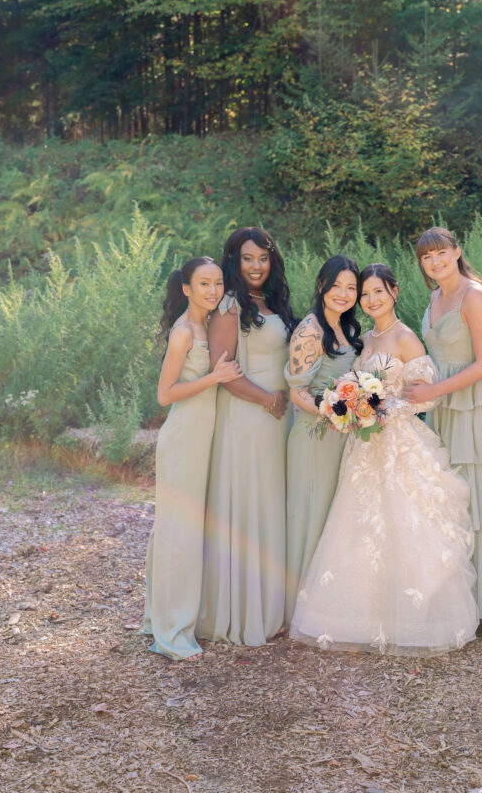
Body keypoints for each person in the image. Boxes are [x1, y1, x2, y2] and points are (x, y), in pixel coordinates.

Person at [290, 263, 477, 656]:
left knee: (404, 524)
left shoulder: (405, 338)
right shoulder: (366, 339)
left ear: (394, 291)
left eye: (378, 292)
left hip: (396, 442)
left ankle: (412, 620)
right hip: (362, 444)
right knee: (359, 526)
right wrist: (354, 408)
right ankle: (357, 619)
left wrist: (383, 411)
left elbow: (427, 395)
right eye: (365, 294)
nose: (371, 300)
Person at [198, 228, 296, 646]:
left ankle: (272, 605)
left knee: (271, 505)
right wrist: (268, 401)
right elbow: (224, 371)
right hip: (249, 416)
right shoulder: (229, 306)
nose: (256, 266)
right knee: (249, 504)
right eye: (247, 258)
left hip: (278, 419)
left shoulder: (273, 303)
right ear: (233, 261)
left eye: (263, 258)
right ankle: (242, 611)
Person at [143, 257, 243, 660]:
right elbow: (164, 395)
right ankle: (171, 633)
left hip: (204, 438)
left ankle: (167, 617)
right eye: (204, 284)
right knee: (177, 534)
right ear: (186, 288)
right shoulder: (184, 332)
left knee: (189, 531)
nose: (213, 290)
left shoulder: (209, 324)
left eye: (217, 283)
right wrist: (215, 378)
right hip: (183, 439)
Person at [405, 227, 482, 623]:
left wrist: (435, 390)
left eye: (441, 253)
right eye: (427, 258)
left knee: (474, 495)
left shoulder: (474, 295)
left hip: (471, 404)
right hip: (442, 408)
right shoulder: (434, 296)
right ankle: (455, 598)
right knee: (446, 494)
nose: (435, 262)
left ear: (457, 252)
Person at [283, 255, 362, 622]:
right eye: (337, 286)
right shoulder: (310, 330)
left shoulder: (347, 328)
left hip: (340, 435)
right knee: (311, 513)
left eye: (351, 288)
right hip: (314, 436)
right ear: (321, 287)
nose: (344, 294)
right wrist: (337, 413)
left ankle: (326, 607)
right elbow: (297, 393)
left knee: (333, 515)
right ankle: (298, 609)